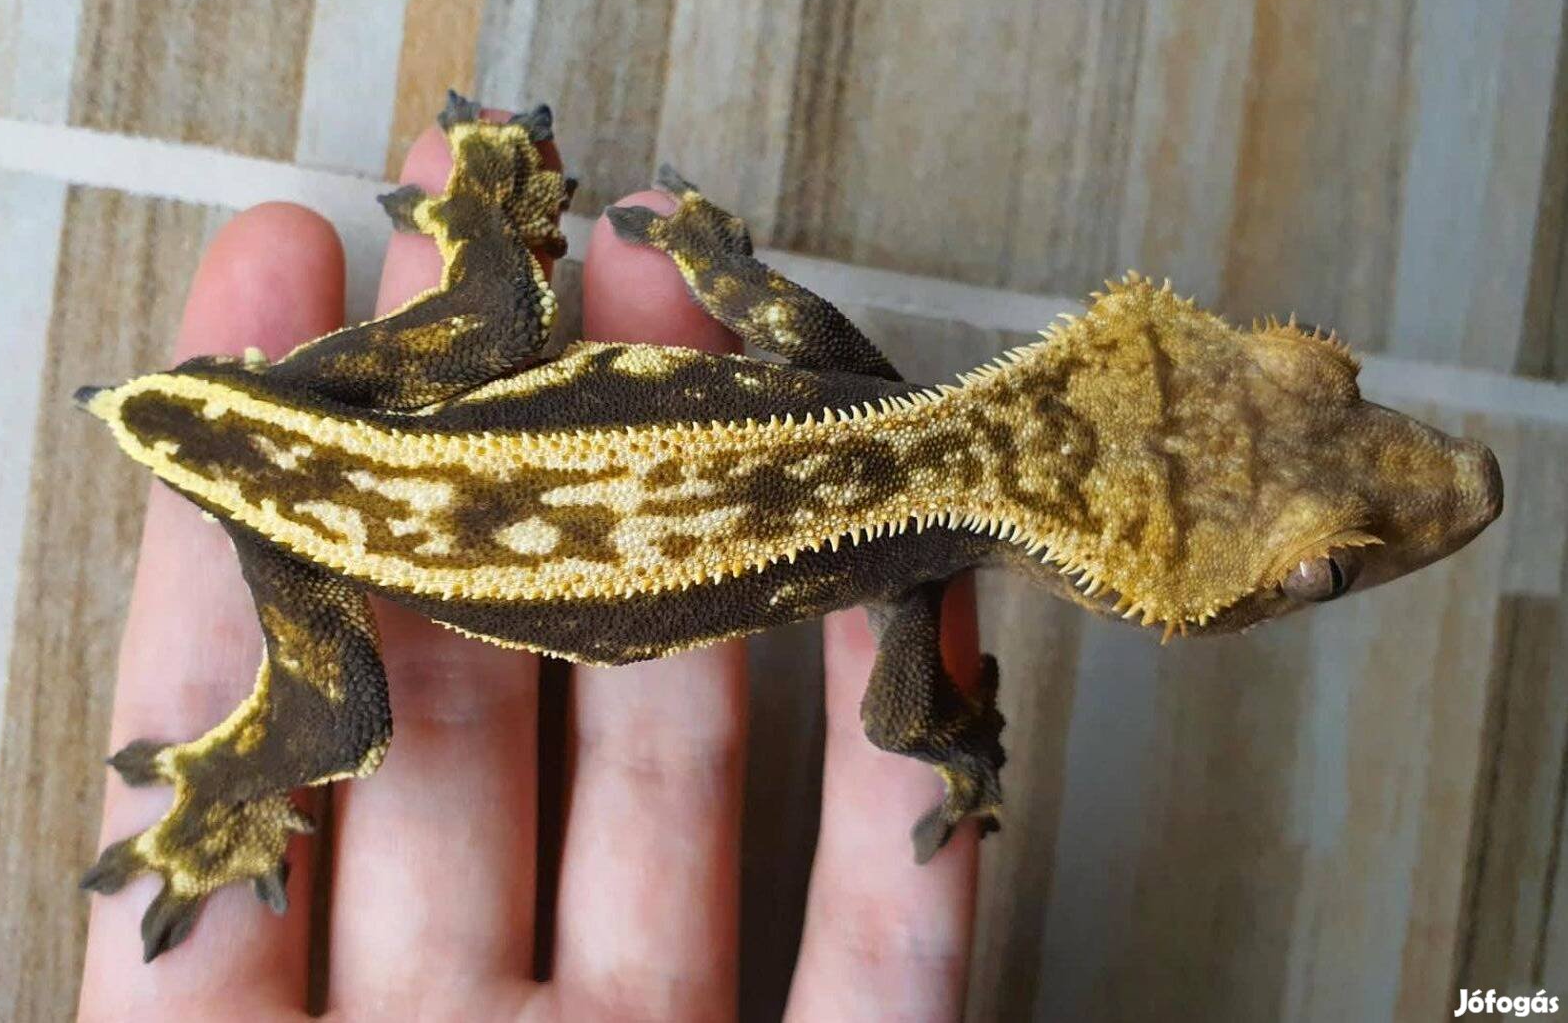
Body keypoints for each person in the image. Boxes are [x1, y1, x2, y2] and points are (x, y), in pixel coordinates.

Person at [78, 113, 982, 1020]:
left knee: (495, 324)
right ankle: (216, 801)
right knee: (341, 711)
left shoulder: (307, 514)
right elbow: (336, 723)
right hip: (361, 472)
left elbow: (335, 725)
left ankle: (493, 188)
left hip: (357, 446)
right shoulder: (315, 489)